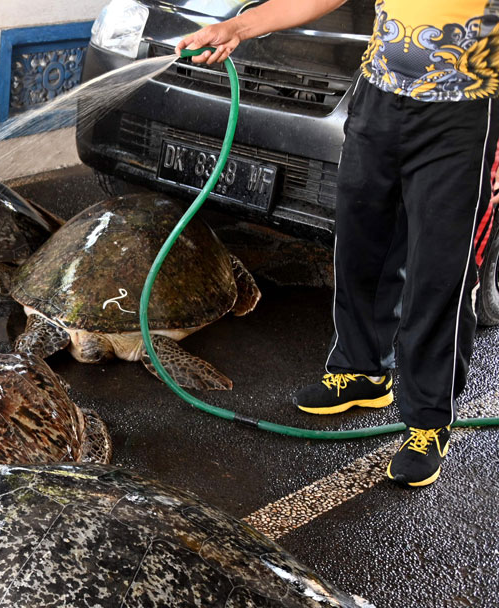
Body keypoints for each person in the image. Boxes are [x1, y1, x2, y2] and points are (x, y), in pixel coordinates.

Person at [178, 0, 499, 487]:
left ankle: (428, 422)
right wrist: (239, 27)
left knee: (440, 274)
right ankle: (362, 372)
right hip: (379, 98)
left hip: (464, 113)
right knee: (360, 246)